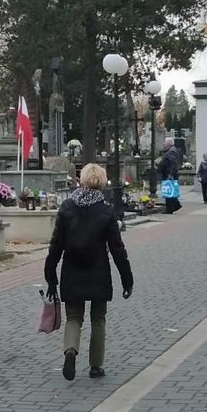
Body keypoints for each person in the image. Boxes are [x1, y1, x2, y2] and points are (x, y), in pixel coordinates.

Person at [44, 163, 133, 381]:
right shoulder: (106, 210)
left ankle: (71, 351)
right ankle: (95, 365)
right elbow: (117, 248)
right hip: (98, 270)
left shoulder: (67, 207)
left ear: (81, 180)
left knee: (74, 317)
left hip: (72, 269)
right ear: (102, 183)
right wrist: (127, 278)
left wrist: (50, 272)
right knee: (98, 319)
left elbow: (56, 244)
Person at [158, 137, 182, 214]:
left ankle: (171, 208)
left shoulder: (171, 152)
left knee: (168, 192)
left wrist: (170, 174)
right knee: (169, 191)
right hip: (168, 174)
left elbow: (172, 164)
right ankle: (174, 206)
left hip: (168, 175)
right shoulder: (171, 151)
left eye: (165, 143)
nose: (164, 144)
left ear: (168, 144)